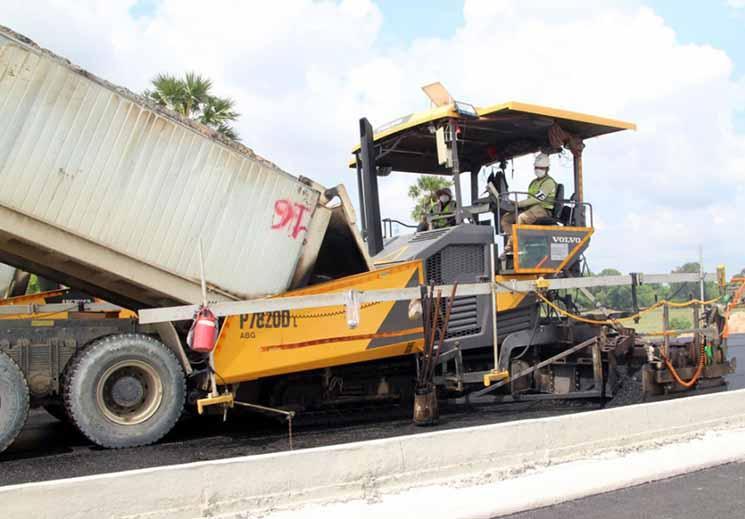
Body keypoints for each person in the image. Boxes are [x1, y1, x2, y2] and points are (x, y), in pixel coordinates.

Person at [500, 153, 557, 254]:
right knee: (506, 219)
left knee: (521, 218)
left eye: (541, 168)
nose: (538, 169)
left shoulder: (549, 182)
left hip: (543, 210)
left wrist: (519, 204)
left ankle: (514, 246)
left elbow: (538, 198)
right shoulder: (533, 182)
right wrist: (515, 204)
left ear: (547, 169)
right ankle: (514, 241)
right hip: (530, 209)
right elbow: (529, 199)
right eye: (536, 167)